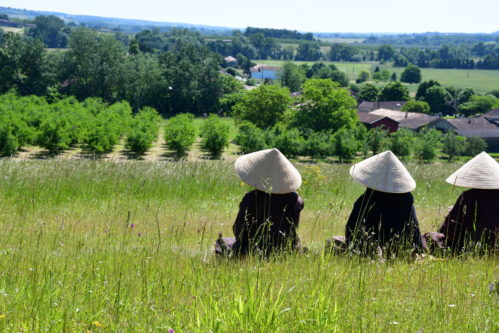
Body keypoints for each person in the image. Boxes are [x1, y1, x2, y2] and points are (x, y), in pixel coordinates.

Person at [329, 151, 424, 256]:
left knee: (332, 242)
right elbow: (415, 235)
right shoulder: (406, 199)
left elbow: (352, 232)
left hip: (370, 253)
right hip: (405, 252)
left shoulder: (366, 201)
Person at [215, 148, 304, 257]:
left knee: (221, 242)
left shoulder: (251, 198)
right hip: (285, 250)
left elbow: (239, 230)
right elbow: (292, 230)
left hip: (253, 250)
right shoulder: (297, 200)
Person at [425, 152, 499, 253]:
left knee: (428, 237)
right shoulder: (468, 196)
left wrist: (451, 215)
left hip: (473, 247)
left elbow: (451, 231)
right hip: (494, 247)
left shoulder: (468, 196)